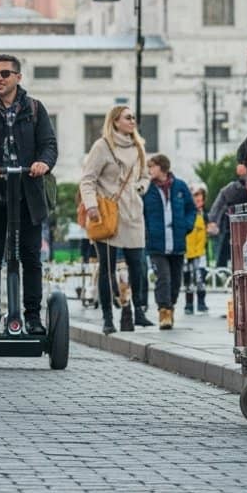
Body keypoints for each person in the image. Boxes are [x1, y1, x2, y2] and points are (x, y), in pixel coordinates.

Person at [0, 53, 57, 336]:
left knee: (31, 257)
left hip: (27, 195)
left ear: (18, 77)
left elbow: (49, 145)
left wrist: (44, 162)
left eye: (5, 74)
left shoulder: (35, 109)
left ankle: (32, 317)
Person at [79, 105, 149, 334]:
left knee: (137, 265)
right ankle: (108, 317)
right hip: (107, 213)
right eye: (128, 117)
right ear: (115, 121)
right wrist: (91, 206)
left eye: (134, 117)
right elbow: (87, 180)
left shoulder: (139, 146)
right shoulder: (102, 147)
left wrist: (140, 187)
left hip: (133, 213)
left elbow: (145, 176)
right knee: (107, 267)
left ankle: (138, 311)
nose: (133, 121)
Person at [141, 154, 196, 330]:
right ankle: (163, 311)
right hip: (156, 244)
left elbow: (191, 209)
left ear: (162, 167)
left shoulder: (180, 186)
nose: (149, 170)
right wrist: (146, 232)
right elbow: (139, 212)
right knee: (163, 278)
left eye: (152, 167)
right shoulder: (147, 188)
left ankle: (170, 306)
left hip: (178, 242)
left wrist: (187, 226)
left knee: (175, 281)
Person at [206, 164, 247, 269]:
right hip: (229, 227)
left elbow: (217, 206)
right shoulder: (232, 188)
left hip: (243, 227)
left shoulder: (234, 188)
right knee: (224, 253)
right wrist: (213, 220)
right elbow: (217, 206)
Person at [183, 186, 209, 315]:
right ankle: (188, 304)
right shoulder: (185, 213)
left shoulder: (206, 215)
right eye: (196, 199)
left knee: (200, 279)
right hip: (187, 252)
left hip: (201, 252)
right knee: (188, 280)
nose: (198, 202)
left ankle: (201, 303)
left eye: (200, 200)